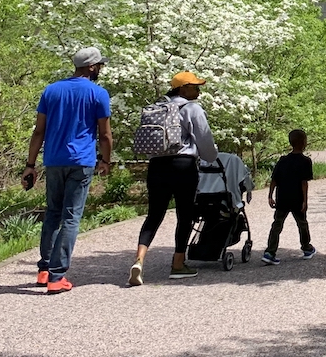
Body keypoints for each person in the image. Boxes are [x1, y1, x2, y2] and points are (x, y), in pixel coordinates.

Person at [24, 47, 113, 294]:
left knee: (52, 213)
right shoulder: (98, 93)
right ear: (92, 67)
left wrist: (30, 165)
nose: (100, 70)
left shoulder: (51, 90)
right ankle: (57, 276)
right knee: (71, 217)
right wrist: (105, 161)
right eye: (99, 66)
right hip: (81, 161)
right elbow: (104, 134)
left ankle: (44, 270)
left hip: (53, 160)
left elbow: (38, 131)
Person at [129, 71, 218, 285]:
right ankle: (178, 265)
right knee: (185, 214)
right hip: (182, 165)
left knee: (154, 215)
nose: (198, 90)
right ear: (182, 88)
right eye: (194, 86)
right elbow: (205, 140)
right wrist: (212, 156)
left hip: (157, 165)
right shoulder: (191, 108)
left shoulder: (159, 107)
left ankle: (139, 260)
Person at [262, 129, 316, 264]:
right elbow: (304, 183)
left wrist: (270, 195)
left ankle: (270, 252)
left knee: (277, 224)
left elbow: (274, 179)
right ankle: (306, 248)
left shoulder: (283, 160)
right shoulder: (305, 161)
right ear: (304, 143)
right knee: (302, 224)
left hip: (282, 198)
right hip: (297, 198)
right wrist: (305, 201)